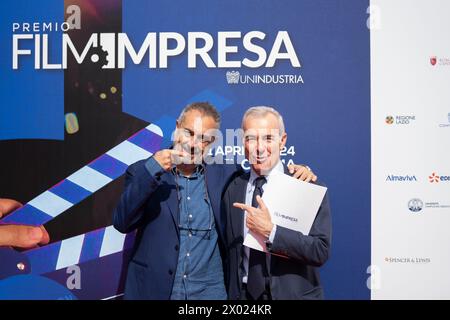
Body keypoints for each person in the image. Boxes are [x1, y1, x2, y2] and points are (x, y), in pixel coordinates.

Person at [113, 102, 316, 300]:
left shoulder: (227, 175)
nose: (193, 144)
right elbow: (122, 222)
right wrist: (153, 169)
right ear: (176, 128)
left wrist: (296, 173)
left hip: (210, 293)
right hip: (155, 290)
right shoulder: (143, 171)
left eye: (203, 139)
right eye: (189, 133)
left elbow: (264, 173)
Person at [223, 106, 331, 300]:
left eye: (268, 138)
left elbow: (319, 250)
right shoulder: (232, 188)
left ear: (283, 141)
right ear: (243, 142)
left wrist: (271, 231)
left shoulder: (305, 185)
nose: (259, 147)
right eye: (251, 138)